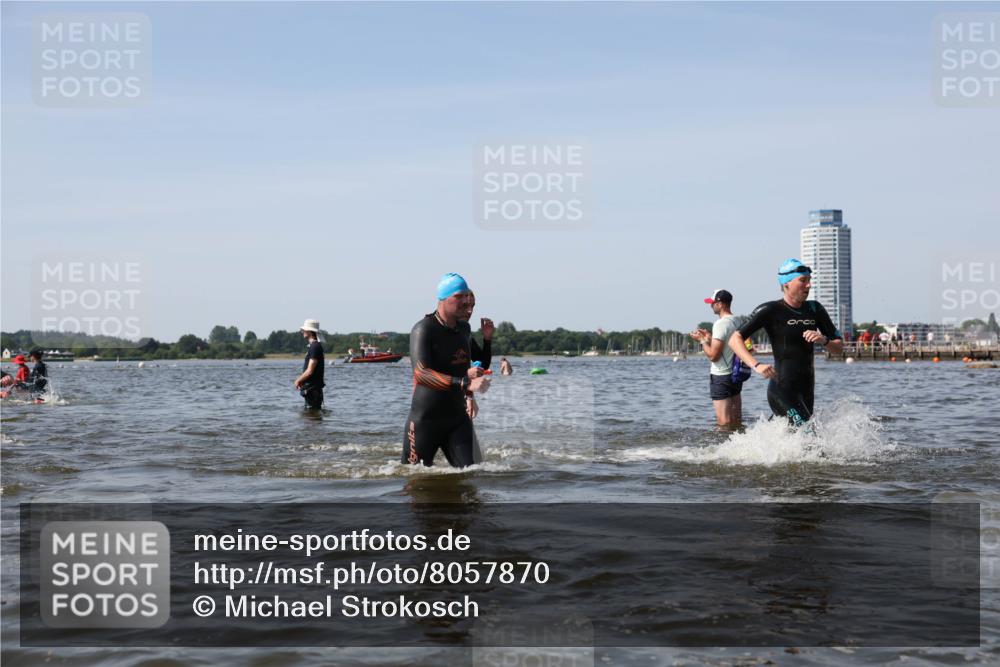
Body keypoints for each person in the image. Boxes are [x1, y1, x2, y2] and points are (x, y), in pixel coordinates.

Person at [728, 259, 843, 427]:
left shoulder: (815, 309)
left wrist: (823, 340)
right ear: (786, 284)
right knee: (808, 432)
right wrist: (756, 365)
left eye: (809, 280)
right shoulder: (770, 310)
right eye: (803, 280)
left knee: (791, 435)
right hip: (781, 388)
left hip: (806, 389)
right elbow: (734, 339)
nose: (808, 285)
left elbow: (839, 348)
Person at [401, 273, 491, 468]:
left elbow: (468, 366)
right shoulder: (423, 329)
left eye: (468, 296)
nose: (466, 301)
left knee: (473, 477)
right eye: (460, 296)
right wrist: (466, 383)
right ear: (444, 298)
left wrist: (470, 395)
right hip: (425, 421)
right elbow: (422, 374)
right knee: (415, 482)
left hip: (457, 419)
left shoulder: (464, 329)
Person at [690, 289, 743, 427]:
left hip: (721, 376)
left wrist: (702, 341)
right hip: (736, 374)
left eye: (712, 303)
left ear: (720, 304)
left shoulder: (720, 324)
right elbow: (729, 345)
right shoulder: (738, 320)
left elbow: (714, 356)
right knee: (736, 419)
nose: (711, 306)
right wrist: (710, 338)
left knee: (723, 421)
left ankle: (722, 447)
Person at [294, 319, 325, 410]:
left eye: (304, 330)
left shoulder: (315, 347)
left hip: (313, 389)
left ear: (310, 332)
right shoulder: (314, 346)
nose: (302, 331)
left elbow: (310, 370)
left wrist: (298, 380)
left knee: (311, 419)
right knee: (311, 418)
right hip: (311, 389)